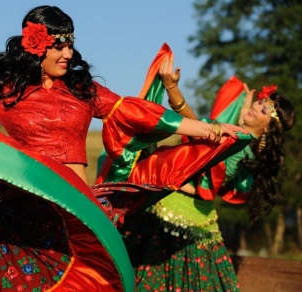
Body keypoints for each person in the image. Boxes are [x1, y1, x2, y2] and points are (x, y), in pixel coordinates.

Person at [0, 6, 250, 291]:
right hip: (25, 219)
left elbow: (145, 115)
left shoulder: (85, 90)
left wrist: (209, 129)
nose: (68, 53)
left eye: (71, 45)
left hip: (77, 215)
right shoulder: (7, 93)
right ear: (36, 45)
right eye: (60, 45)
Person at [110, 54, 296, 291]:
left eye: (264, 111)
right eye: (261, 102)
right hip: (176, 211)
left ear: (268, 129)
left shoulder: (239, 149)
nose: (257, 107)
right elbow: (199, 127)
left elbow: (203, 184)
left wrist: (162, 177)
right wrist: (172, 89)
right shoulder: (236, 137)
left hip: (180, 222)